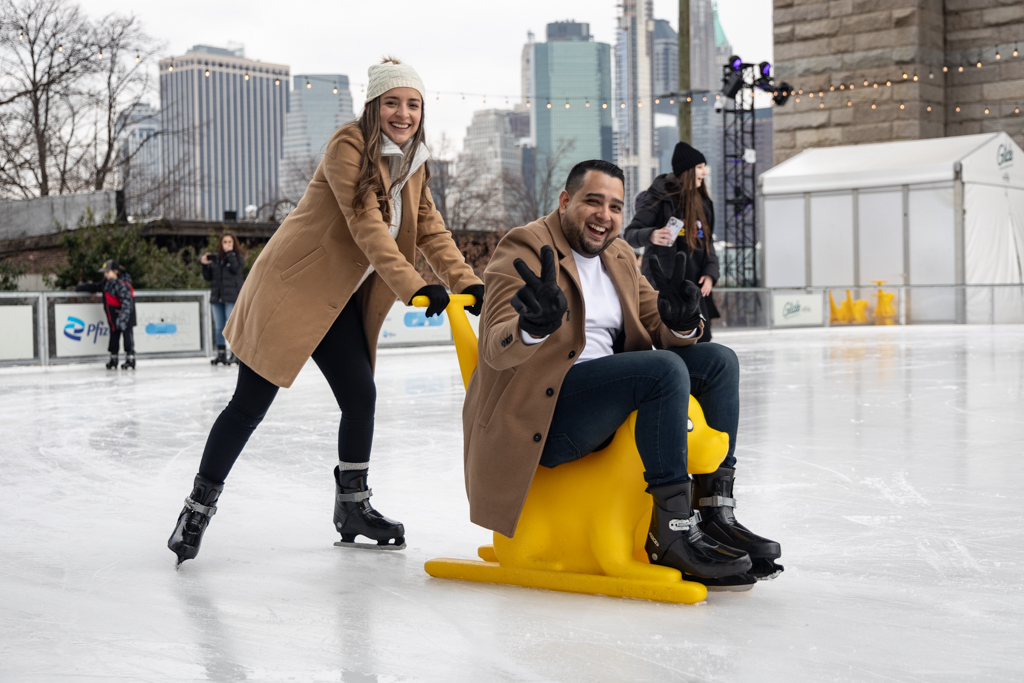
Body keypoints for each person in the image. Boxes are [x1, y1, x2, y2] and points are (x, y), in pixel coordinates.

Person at [168, 57, 485, 566]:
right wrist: (414, 287)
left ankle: (353, 508)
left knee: (361, 395)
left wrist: (468, 281)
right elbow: (368, 226)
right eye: (392, 103)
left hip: (338, 300)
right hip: (292, 289)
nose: (403, 113)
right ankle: (196, 508)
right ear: (374, 106)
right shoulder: (349, 145)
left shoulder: (414, 161)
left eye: (413, 104)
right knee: (249, 405)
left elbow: (430, 229)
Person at [462, 159, 782, 589]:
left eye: (614, 206)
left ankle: (713, 512)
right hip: (547, 412)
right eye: (592, 201)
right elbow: (494, 347)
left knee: (717, 360)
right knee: (662, 370)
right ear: (565, 201)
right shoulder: (523, 247)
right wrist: (530, 327)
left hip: (608, 392)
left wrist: (683, 321)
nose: (604, 216)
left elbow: (659, 322)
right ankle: (669, 532)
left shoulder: (619, 254)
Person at [623, 142, 720, 343]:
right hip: (667, 286)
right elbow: (631, 233)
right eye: (700, 167)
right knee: (669, 340)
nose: (704, 172)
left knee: (702, 339)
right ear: (687, 171)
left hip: (696, 288)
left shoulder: (704, 203)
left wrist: (710, 274)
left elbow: (709, 245)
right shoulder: (659, 197)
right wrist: (651, 235)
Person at [75, 259, 137, 370]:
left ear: (115, 271)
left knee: (127, 336)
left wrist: (123, 318)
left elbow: (127, 303)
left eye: (108, 272)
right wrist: (81, 287)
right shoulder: (106, 283)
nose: (105, 275)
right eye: (105, 273)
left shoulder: (123, 284)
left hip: (126, 316)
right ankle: (113, 358)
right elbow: (95, 287)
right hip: (113, 316)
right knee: (114, 337)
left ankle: (130, 358)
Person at [200, 233, 245, 365]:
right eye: (225, 242)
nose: (227, 244)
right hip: (217, 297)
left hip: (231, 296)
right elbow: (208, 277)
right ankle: (221, 353)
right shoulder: (216, 259)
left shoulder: (236, 257)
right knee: (219, 326)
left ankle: (235, 353)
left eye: (230, 242)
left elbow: (236, 269)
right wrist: (204, 265)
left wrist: (230, 254)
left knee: (232, 326)